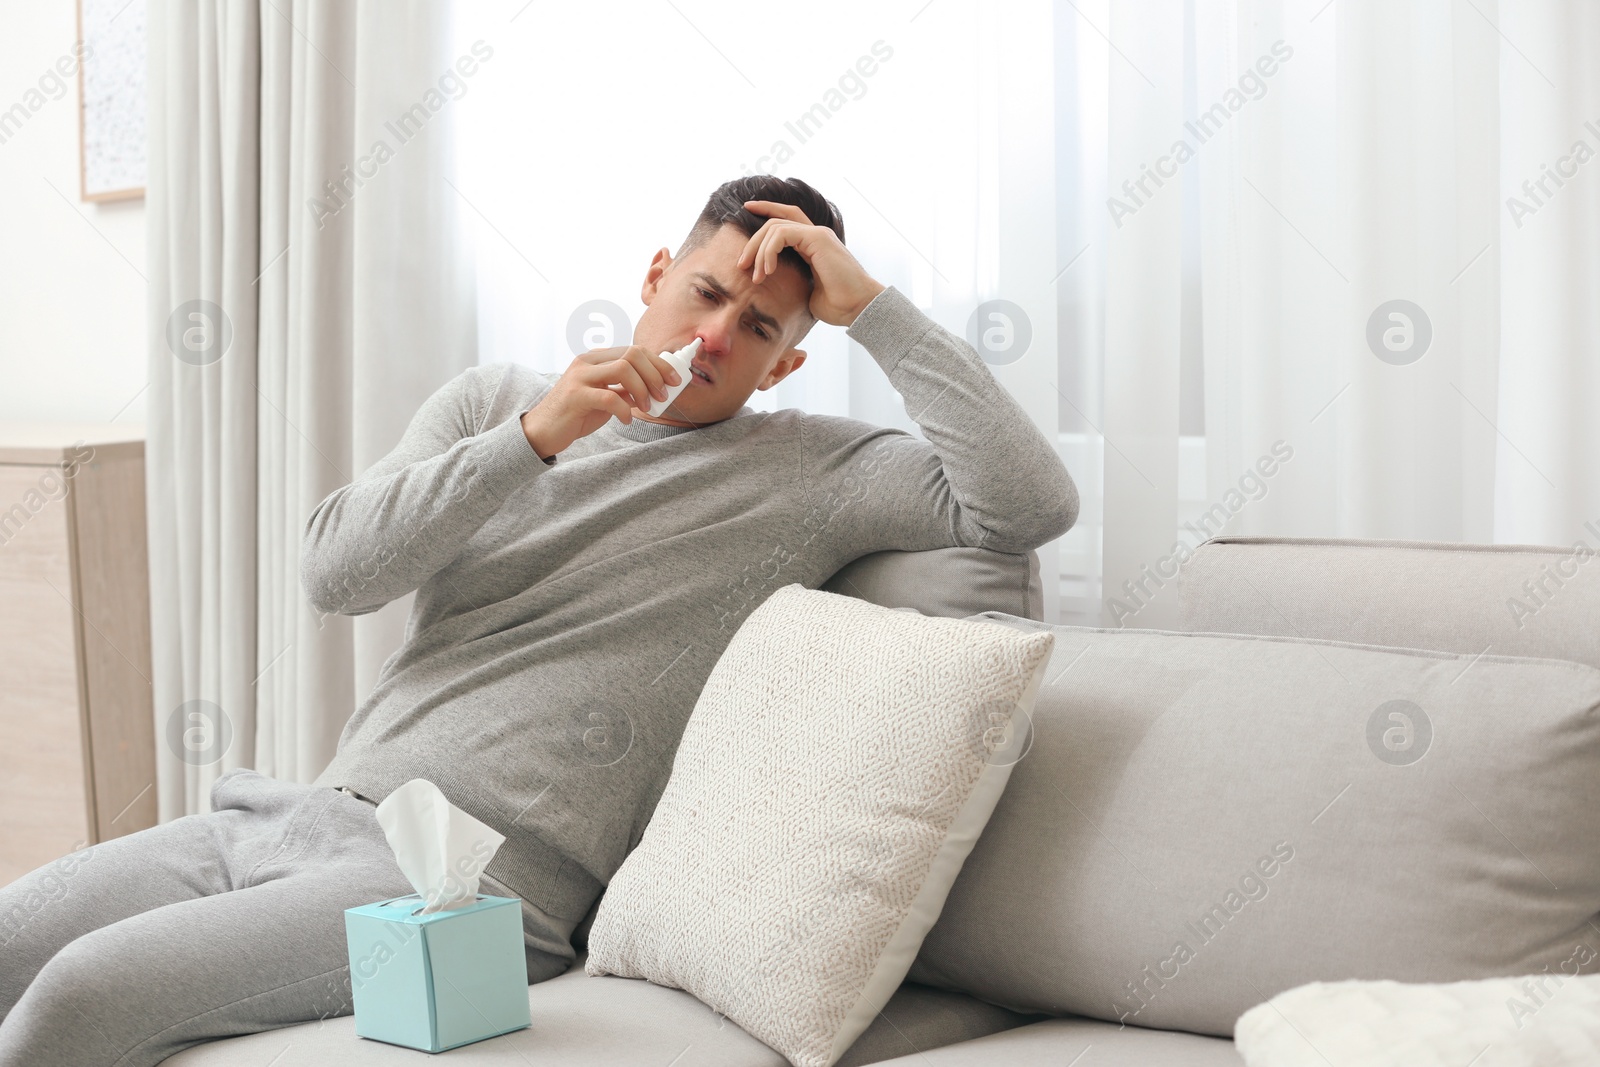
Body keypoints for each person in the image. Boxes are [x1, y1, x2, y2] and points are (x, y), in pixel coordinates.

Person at [0, 175, 1078, 1065]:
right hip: (287, 815)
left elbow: (1028, 503)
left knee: (81, 997)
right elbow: (335, 572)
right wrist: (533, 435)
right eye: (702, 294)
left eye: (755, 328)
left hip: (463, 885)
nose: (712, 338)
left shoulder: (813, 474)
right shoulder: (495, 402)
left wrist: (874, 305)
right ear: (656, 275)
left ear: (787, 360)